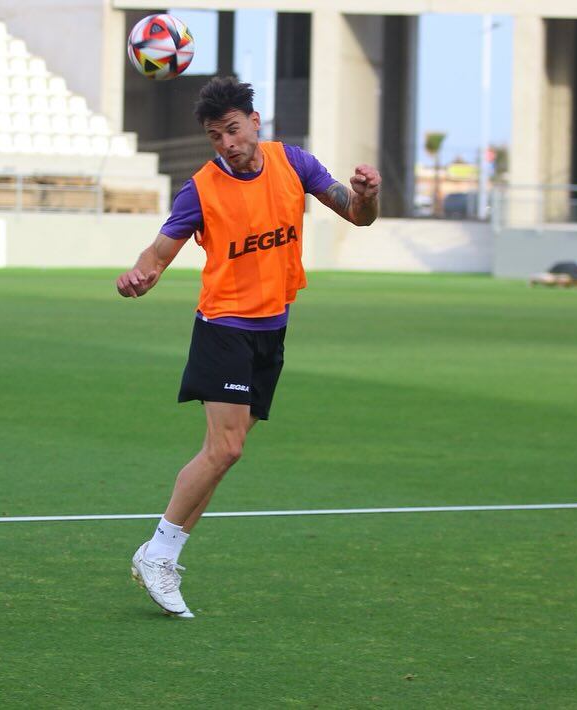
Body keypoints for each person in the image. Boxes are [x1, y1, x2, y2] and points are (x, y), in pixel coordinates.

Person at [117, 76, 381, 618]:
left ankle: (162, 552)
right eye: (216, 136)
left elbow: (356, 214)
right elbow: (159, 252)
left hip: (272, 330)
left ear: (254, 122)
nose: (227, 144)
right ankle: (159, 552)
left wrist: (369, 195)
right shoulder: (201, 188)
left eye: (233, 130)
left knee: (222, 456)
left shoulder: (294, 164)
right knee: (227, 449)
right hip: (224, 328)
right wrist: (140, 275)